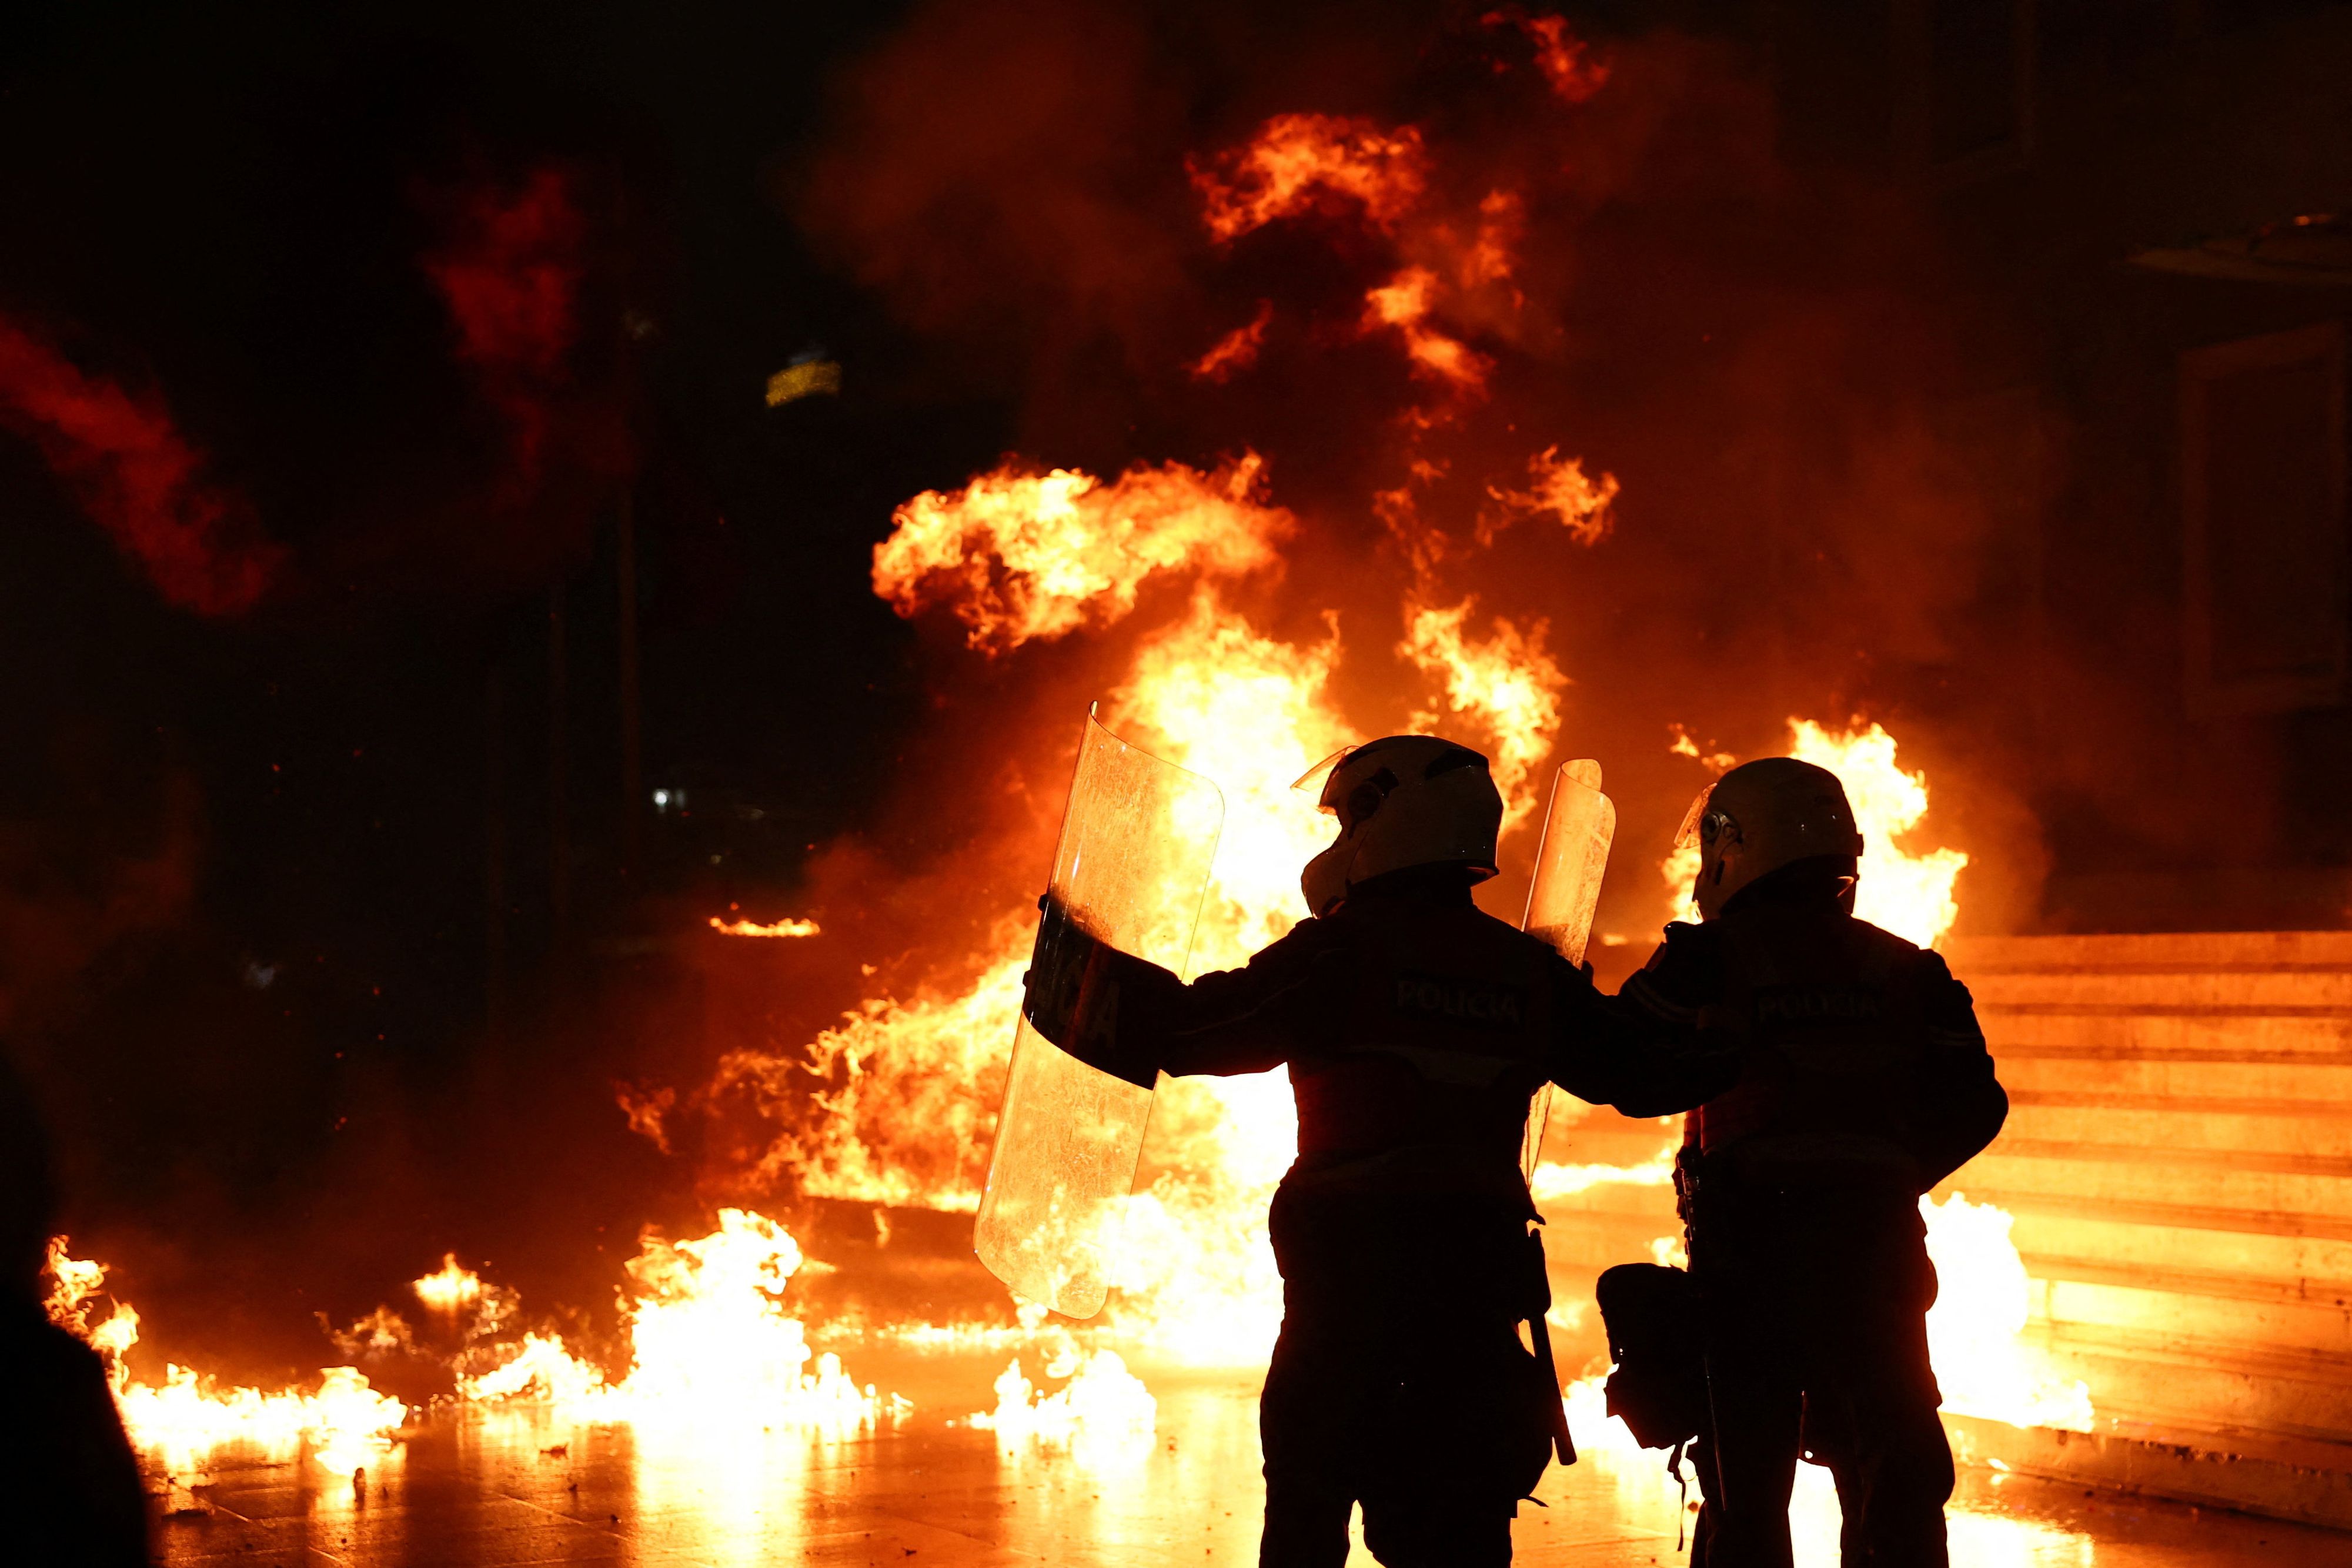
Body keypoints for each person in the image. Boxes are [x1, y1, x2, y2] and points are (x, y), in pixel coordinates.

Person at [1024, 735, 1742, 1568]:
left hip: (1347, 1303)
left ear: (1383, 820)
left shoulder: (1342, 954)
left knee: (1307, 1521)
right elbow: (1642, 1076)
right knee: (1456, 1540)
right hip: (1473, 1305)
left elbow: (1193, 1032)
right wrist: (1718, 1004)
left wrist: (1075, 971)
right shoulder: (1526, 973)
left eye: (1345, 822)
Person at [1620, 757, 2007, 1568]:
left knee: (1745, 1482)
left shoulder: (1706, 959)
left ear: (1733, 849)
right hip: (1876, 1253)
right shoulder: (1908, 968)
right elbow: (1978, 1104)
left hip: (1748, 1255)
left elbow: (1626, 1072)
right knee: (1891, 1472)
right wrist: (1894, 1170)